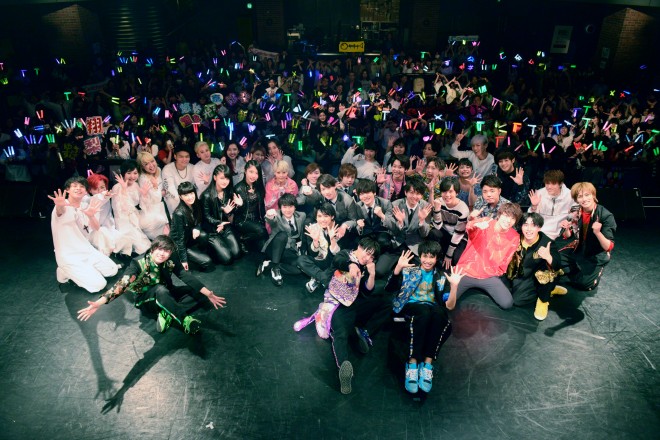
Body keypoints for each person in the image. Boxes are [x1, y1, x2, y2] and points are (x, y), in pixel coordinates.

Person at [293, 238, 390, 395]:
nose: (367, 258)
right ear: (359, 247)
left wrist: (371, 274)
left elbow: (367, 290)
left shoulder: (366, 267)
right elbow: (339, 260)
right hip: (335, 303)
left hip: (352, 303)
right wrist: (351, 265)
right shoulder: (345, 255)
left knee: (384, 302)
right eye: (367, 253)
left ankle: (360, 332)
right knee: (341, 333)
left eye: (372, 257)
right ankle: (344, 368)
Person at [77, 235, 226, 335]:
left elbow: (184, 275)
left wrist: (208, 293)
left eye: (166, 251)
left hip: (167, 291)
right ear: (153, 249)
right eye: (160, 249)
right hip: (146, 299)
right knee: (160, 290)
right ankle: (184, 319)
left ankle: (166, 312)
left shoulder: (171, 258)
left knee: (198, 293)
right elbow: (122, 285)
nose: (162, 254)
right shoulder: (137, 264)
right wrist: (99, 302)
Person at [386, 242, 457, 394]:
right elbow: (390, 288)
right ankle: (412, 363)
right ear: (420, 256)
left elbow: (449, 306)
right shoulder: (410, 270)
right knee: (424, 312)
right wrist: (398, 268)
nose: (428, 260)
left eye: (432, 257)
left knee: (440, 315)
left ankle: (427, 365)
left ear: (436, 259)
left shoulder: (441, 276)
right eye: (425, 256)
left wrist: (454, 287)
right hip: (411, 306)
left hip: (431, 309)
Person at [446, 202, 523, 310]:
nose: (508, 220)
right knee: (447, 300)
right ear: (499, 215)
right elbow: (469, 227)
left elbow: (507, 258)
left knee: (507, 304)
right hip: (467, 271)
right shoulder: (486, 222)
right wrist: (475, 225)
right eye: (506, 215)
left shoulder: (514, 236)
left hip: (489, 275)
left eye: (512, 218)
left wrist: (497, 272)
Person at [50, 177, 119, 293]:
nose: (78, 188)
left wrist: (91, 216)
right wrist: (59, 205)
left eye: (82, 186)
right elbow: (60, 211)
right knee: (100, 285)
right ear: (67, 190)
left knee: (113, 270)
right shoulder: (63, 206)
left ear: (86, 191)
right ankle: (64, 270)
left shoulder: (85, 207)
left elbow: (96, 228)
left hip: (86, 251)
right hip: (69, 256)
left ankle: (85, 270)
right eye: (74, 186)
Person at [504, 212, 564, 320]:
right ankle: (550, 290)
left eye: (533, 225)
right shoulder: (515, 237)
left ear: (539, 228)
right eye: (525, 225)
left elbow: (558, 264)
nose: (529, 229)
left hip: (537, 277)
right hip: (518, 273)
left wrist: (548, 257)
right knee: (506, 294)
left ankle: (544, 297)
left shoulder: (546, 243)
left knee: (518, 300)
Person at [557, 182, 616, 291]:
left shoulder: (605, 215)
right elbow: (568, 236)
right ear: (576, 199)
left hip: (596, 253)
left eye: (587, 195)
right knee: (555, 258)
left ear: (593, 195)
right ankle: (575, 273)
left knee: (584, 285)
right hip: (579, 246)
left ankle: (582, 276)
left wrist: (598, 233)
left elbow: (608, 246)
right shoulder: (575, 211)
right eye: (580, 196)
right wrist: (566, 228)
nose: (584, 199)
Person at [376, 178, 433, 277]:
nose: (414, 196)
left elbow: (425, 234)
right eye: (411, 192)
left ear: (422, 195)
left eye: (418, 193)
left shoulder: (425, 206)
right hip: (397, 243)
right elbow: (391, 228)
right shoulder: (395, 204)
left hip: (415, 246)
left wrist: (422, 221)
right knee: (379, 270)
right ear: (406, 192)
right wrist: (400, 223)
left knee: (416, 275)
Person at [258, 193, 305, 286]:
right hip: (273, 248)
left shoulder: (301, 216)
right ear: (280, 208)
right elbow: (271, 220)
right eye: (285, 207)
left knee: (299, 269)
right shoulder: (277, 216)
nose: (288, 210)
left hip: (289, 251)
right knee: (283, 235)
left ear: (295, 207)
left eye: (290, 206)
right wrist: (269, 216)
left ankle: (269, 265)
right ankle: (275, 269)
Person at [200, 164, 241, 265]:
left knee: (237, 254)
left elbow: (232, 214)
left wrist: (237, 207)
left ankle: (223, 245)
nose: (225, 181)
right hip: (213, 231)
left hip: (225, 228)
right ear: (215, 177)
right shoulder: (206, 195)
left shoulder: (229, 192)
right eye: (222, 178)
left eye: (227, 178)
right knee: (227, 259)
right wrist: (219, 222)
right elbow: (206, 217)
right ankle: (211, 249)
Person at [169, 181, 214, 272]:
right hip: (180, 244)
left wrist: (197, 228)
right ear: (180, 197)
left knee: (204, 235)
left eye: (191, 193)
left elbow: (200, 220)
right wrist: (183, 260)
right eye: (186, 195)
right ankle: (185, 257)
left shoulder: (196, 204)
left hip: (189, 237)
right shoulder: (178, 213)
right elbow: (180, 239)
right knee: (207, 262)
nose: (190, 197)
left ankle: (197, 252)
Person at [296, 203, 341, 293]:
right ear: (316, 218)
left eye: (326, 216)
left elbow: (339, 254)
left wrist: (332, 239)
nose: (322, 220)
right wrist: (315, 241)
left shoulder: (338, 228)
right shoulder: (312, 228)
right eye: (319, 216)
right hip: (320, 261)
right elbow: (313, 254)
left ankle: (317, 278)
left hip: (334, 262)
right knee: (301, 260)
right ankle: (323, 278)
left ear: (332, 216)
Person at [111, 160, 152, 255]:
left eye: (135, 173)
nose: (132, 176)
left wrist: (144, 195)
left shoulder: (136, 185)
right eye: (129, 173)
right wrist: (124, 190)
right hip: (123, 219)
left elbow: (142, 205)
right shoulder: (117, 187)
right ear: (123, 173)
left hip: (134, 215)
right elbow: (121, 209)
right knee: (141, 246)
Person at [429, 177, 470, 268]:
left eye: (451, 191)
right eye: (444, 191)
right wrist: (437, 210)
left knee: (456, 259)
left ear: (457, 192)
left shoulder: (463, 209)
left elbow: (458, 234)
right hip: (445, 232)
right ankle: (436, 258)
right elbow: (438, 226)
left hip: (459, 237)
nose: (447, 195)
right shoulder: (439, 202)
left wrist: (449, 254)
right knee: (433, 233)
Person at [528, 170, 578, 240]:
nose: (549, 187)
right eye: (547, 183)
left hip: (560, 232)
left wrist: (569, 220)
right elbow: (531, 217)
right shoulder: (539, 193)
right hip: (540, 230)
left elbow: (576, 212)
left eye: (553, 184)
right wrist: (534, 206)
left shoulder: (570, 195)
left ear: (560, 184)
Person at [233, 159, 268, 253]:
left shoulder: (259, 186)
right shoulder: (238, 188)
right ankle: (242, 239)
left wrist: (264, 219)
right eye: (251, 172)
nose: (253, 175)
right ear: (245, 171)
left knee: (263, 248)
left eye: (256, 173)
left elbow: (261, 206)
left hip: (256, 219)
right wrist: (240, 205)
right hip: (243, 220)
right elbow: (234, 213)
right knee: (262, 231)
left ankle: (246, 239)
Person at [136, 151, 170, 239]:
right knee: (163, 238)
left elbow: (165, 189)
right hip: (151, 212)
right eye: (146, 164)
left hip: (161, 208)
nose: (151, 165)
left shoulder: (159, 170)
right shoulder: (143, 178)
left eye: (152, 161)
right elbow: (157, 198)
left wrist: (162, 192)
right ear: (142, 167)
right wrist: (156, 187)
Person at [162, 145, 195, 214]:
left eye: (187, 156)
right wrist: (184, 200)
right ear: (175, 156)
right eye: (181, 157)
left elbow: (195, 186)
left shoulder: (193, 168)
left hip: (190, 199)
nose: (184, 159)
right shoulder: (167, 169)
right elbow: (170, 189)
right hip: (174, 200)